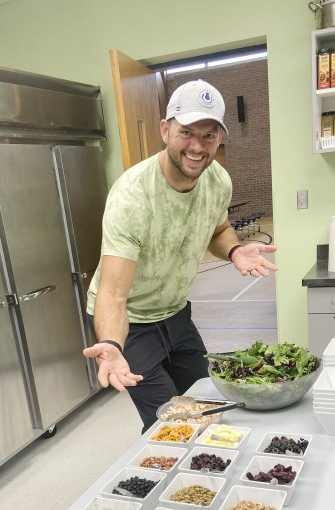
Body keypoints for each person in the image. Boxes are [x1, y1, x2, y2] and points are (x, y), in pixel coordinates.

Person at [84, 79, 277, 431]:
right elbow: (113, 293)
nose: (197, 146)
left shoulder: (218, 180)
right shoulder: (133, 196)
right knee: (175, 423)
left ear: (220, 137)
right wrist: (111, 343)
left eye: (209, 135)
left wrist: (233, 250)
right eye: (186, 132)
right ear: (165, 129)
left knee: (208, 405)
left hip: (176, 315)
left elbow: (217, 230)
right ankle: (165, 482)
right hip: (133, 323)